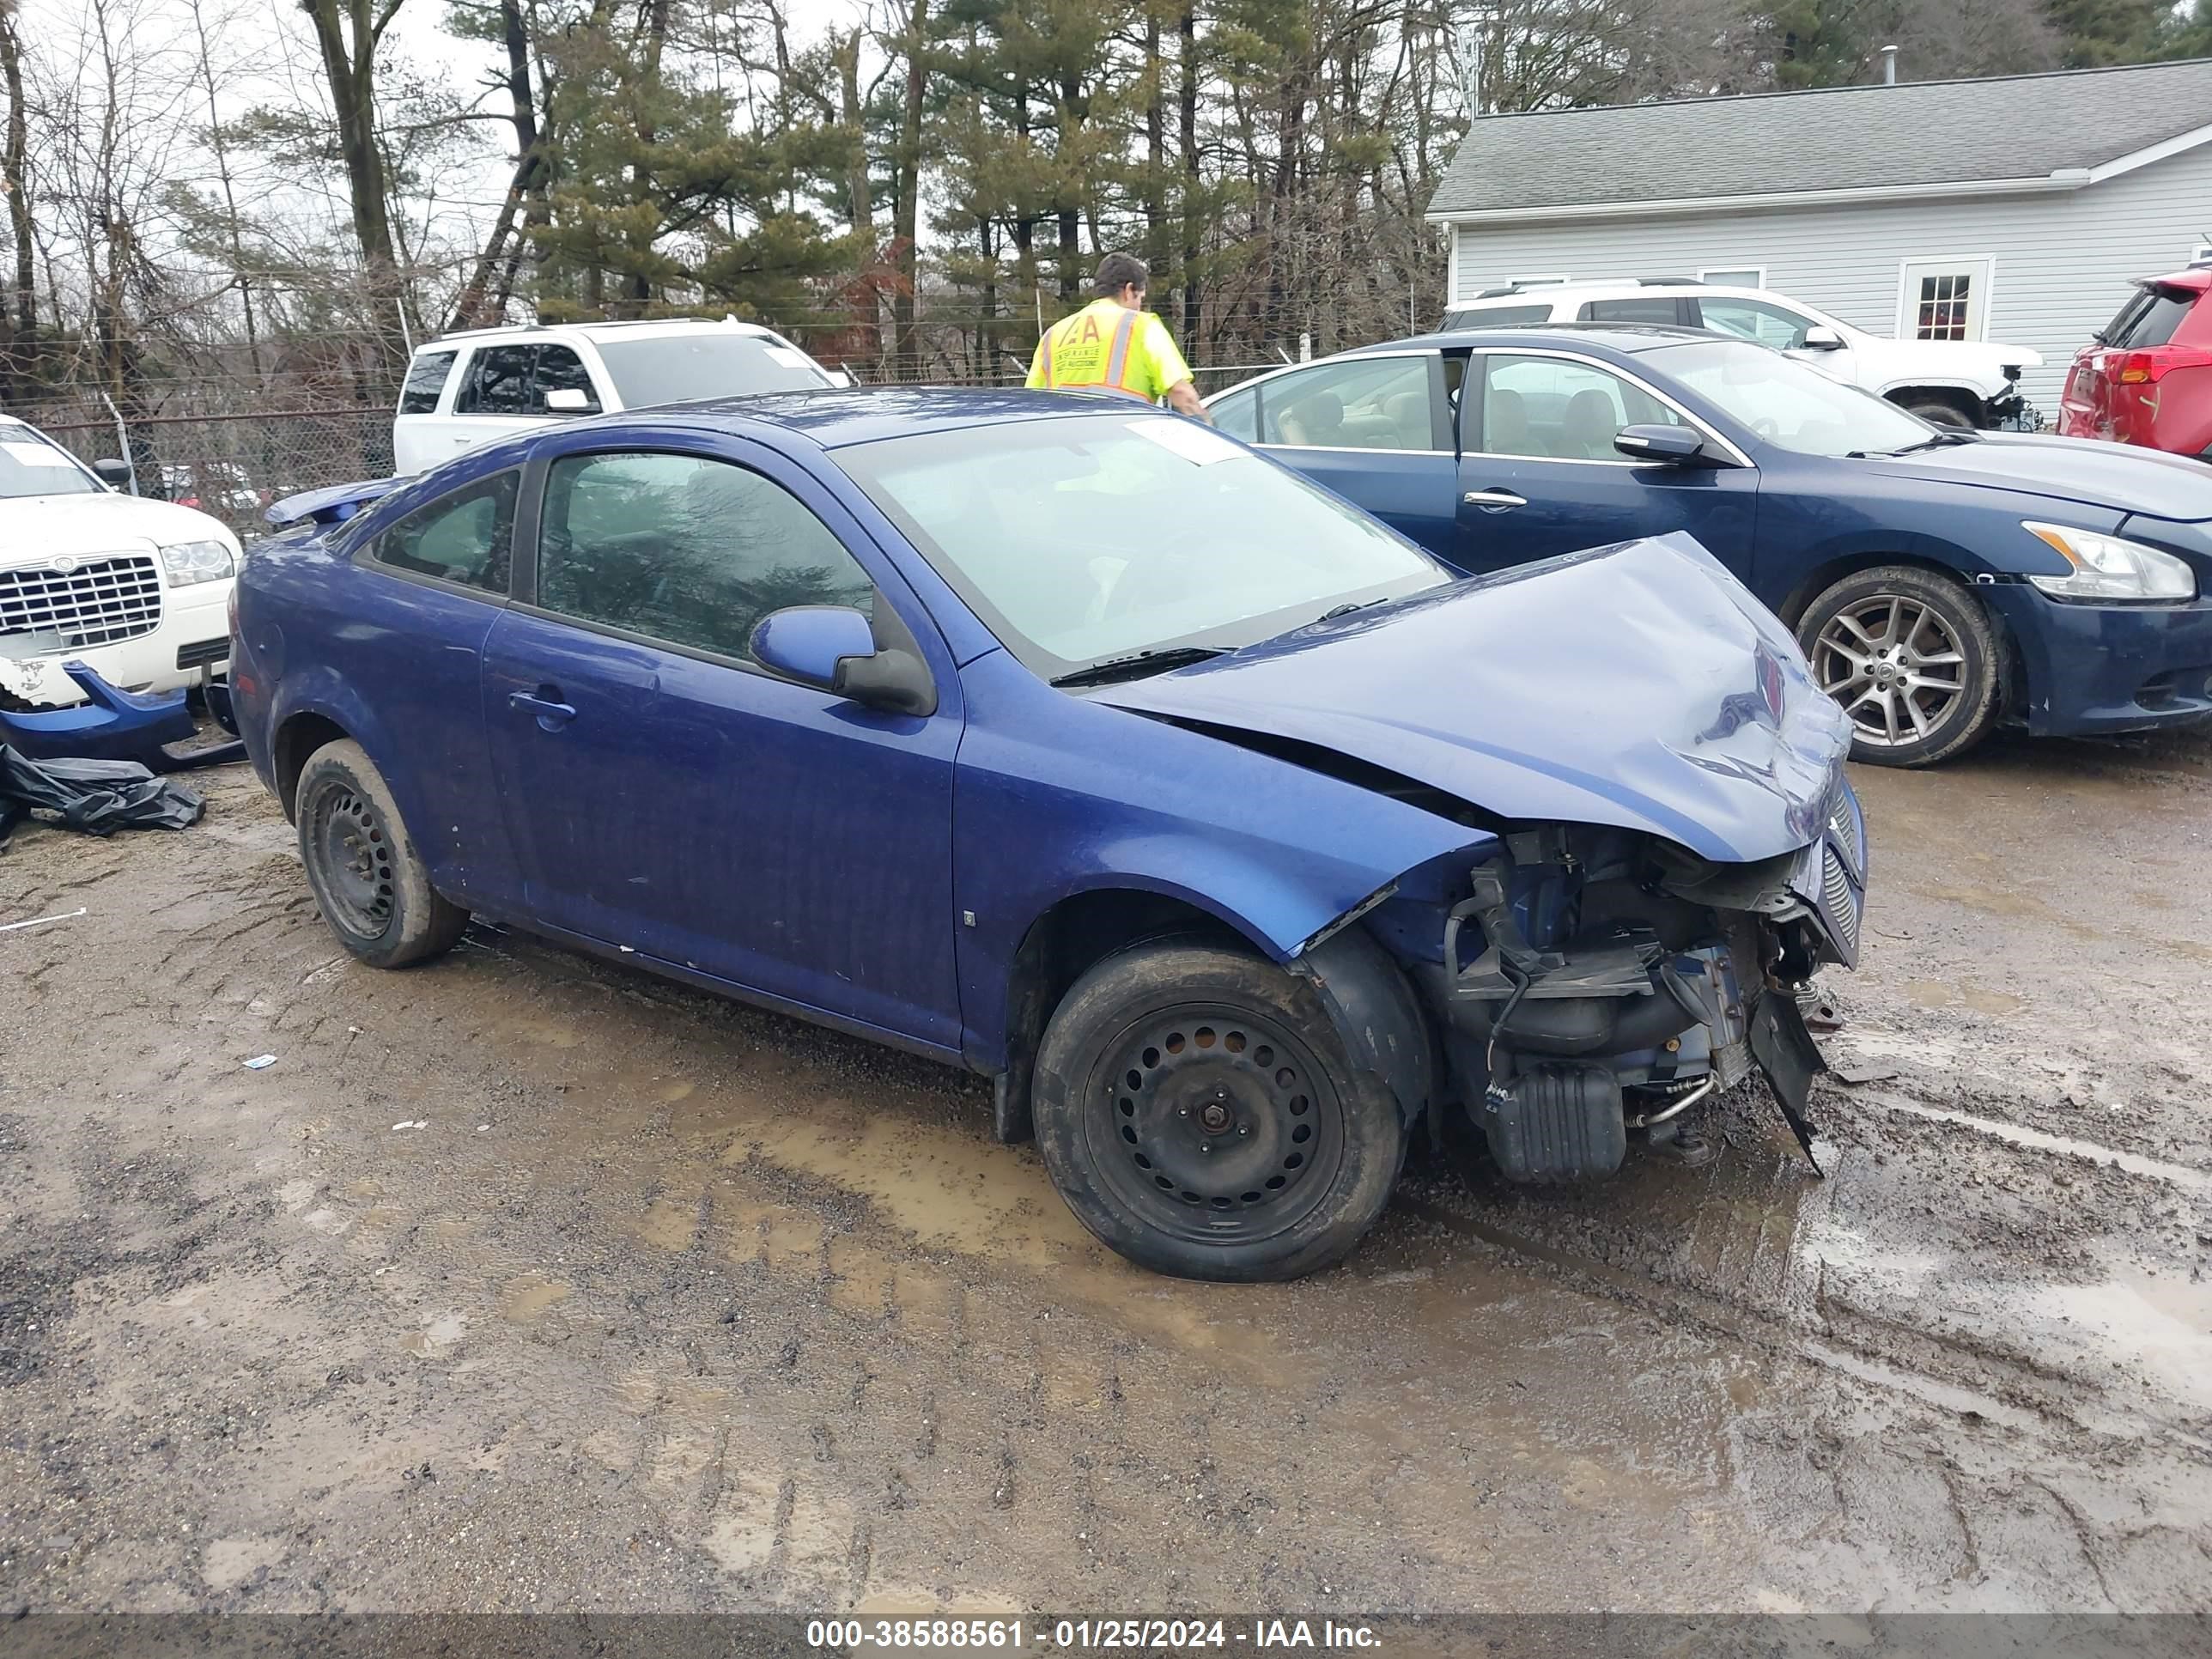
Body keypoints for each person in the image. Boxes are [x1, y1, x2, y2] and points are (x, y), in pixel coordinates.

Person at [1027, 252, 1210, 422]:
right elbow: (1181, 392)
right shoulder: (1141, 325)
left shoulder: (1053, 335)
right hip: (1122, 443)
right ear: (1129, 290)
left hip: (1067, 447)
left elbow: (1031, 401)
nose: (1140, 306)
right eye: (1140, 299)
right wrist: (1207, 429)